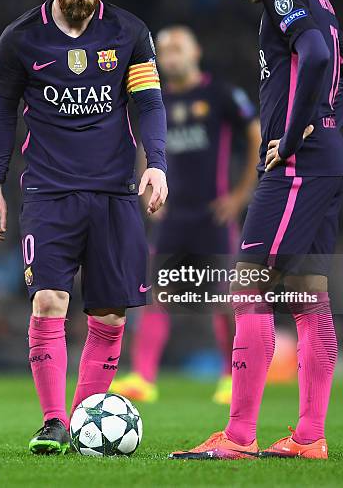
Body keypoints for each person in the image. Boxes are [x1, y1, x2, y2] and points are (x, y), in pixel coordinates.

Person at [170, 0, 343, 460]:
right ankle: (309, 437)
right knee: (308, 299)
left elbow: (320, 57)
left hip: (298, 165)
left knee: (248, 285)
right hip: (326, 157)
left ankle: (238, 436)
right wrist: (325, 119)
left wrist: (290, 132)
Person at [0, 0, 168, 455]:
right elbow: (1, 113)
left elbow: (149, 104)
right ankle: (54, 422)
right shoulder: (20, 38)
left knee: (108, 313)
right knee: (48, 301)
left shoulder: (130, 33)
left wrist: (157, 164)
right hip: (47, 192)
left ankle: (87, 421)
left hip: (114, 193)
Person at [110, 26, 260, 404]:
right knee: (156, 293)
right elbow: (146, 144)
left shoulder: (220, 93)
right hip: (173, 215)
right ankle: (143, 378)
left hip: (214, 213)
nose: (169, 54)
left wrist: (240, 195)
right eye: (163, 49)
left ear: (197, 51)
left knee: (224, 296)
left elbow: (256, 137)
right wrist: (150, 188)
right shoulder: (153, 99)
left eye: (177, 47)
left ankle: (231, 378)